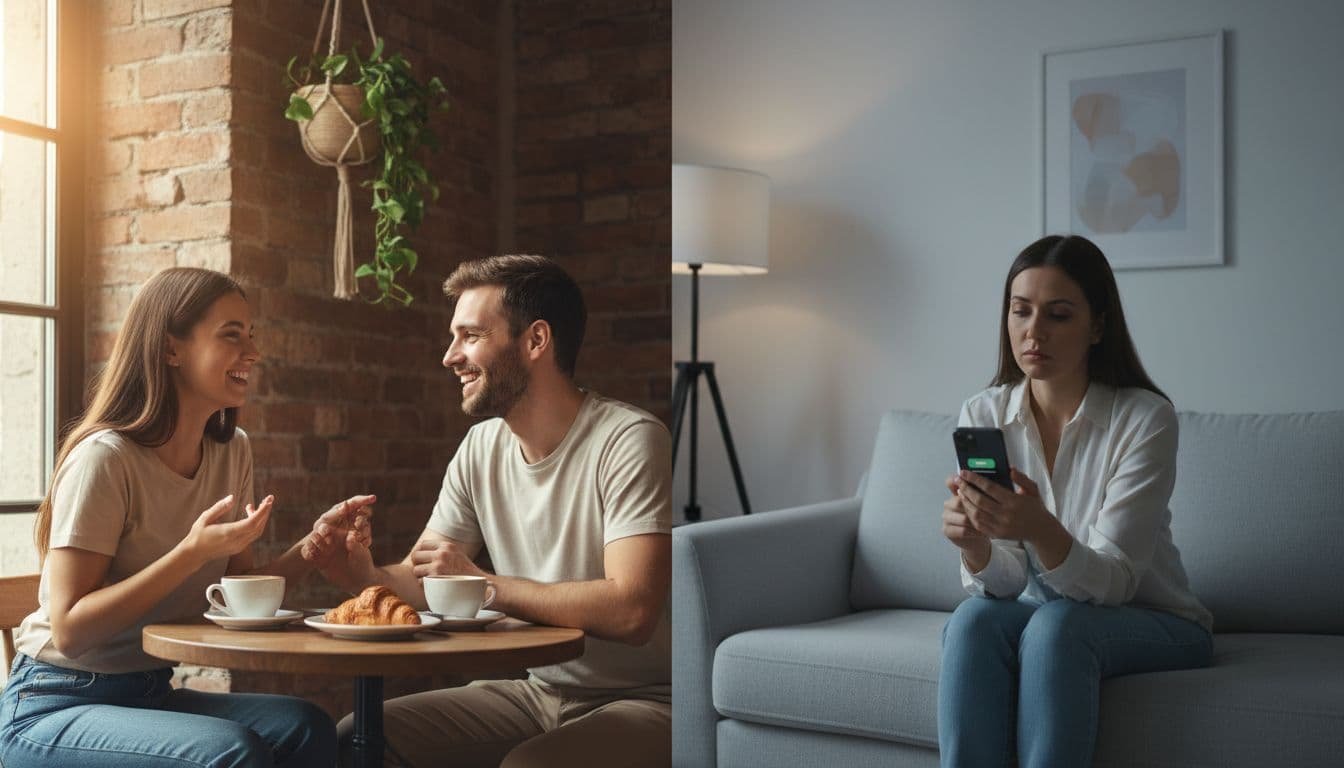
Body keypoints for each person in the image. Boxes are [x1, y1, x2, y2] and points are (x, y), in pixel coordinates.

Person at [0, 267, 376, 768]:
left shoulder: (230, 451)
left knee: (306, 727)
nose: (252, 352)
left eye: (251, 336)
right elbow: (69, 630)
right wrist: (191, 553)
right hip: (53, 703)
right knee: (231, 753)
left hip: (147, 691)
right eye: (231, 335)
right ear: (171, 349)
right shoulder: (105, 459)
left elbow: (238, 586)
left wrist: (310, 549)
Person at [320, 254, 672, 768]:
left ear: (535, 341)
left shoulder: (628, 440)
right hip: (536, 692)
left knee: (528, 766)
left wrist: (487, 585)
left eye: (470, 336)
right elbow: (426, 579)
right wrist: (363, 574)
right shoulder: (480, 446)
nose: (449, 356)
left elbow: (632, 610)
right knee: (359, 736)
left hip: (647, 698)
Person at [937, 235, 1213, 767]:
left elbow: (1116, 583)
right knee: (972, 621)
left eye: (1058, 315)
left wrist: (1041, 528)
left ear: (1097, 326)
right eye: (1020, 312)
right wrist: (975, 547)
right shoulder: (984, 411)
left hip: (1156, 620)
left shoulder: (1145, 419)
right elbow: (1008, 584)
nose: (1033, 331)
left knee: (1059, 625)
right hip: (1044, 616)